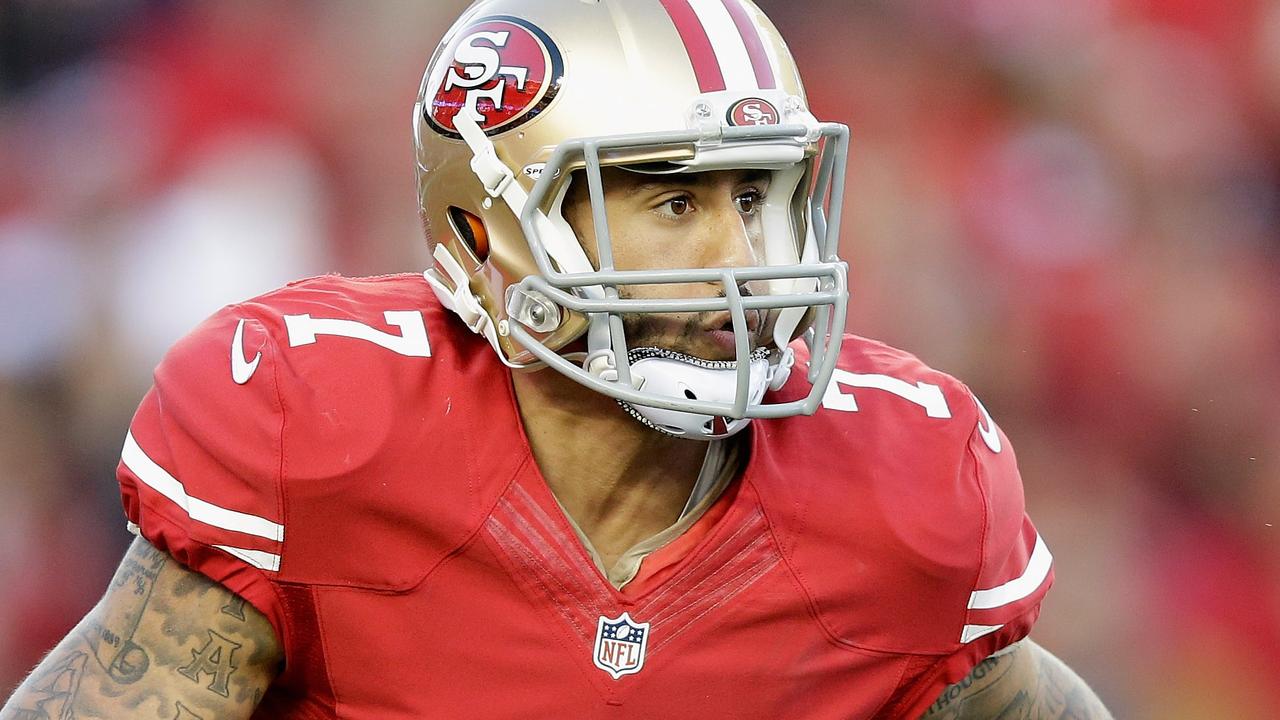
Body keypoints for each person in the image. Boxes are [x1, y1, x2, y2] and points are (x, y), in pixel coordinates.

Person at [2, 1, 1113, 718]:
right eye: (676, 200)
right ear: (485, 239)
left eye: (760, 194)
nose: (744, 257)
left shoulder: (905, 485)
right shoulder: (316, 425)